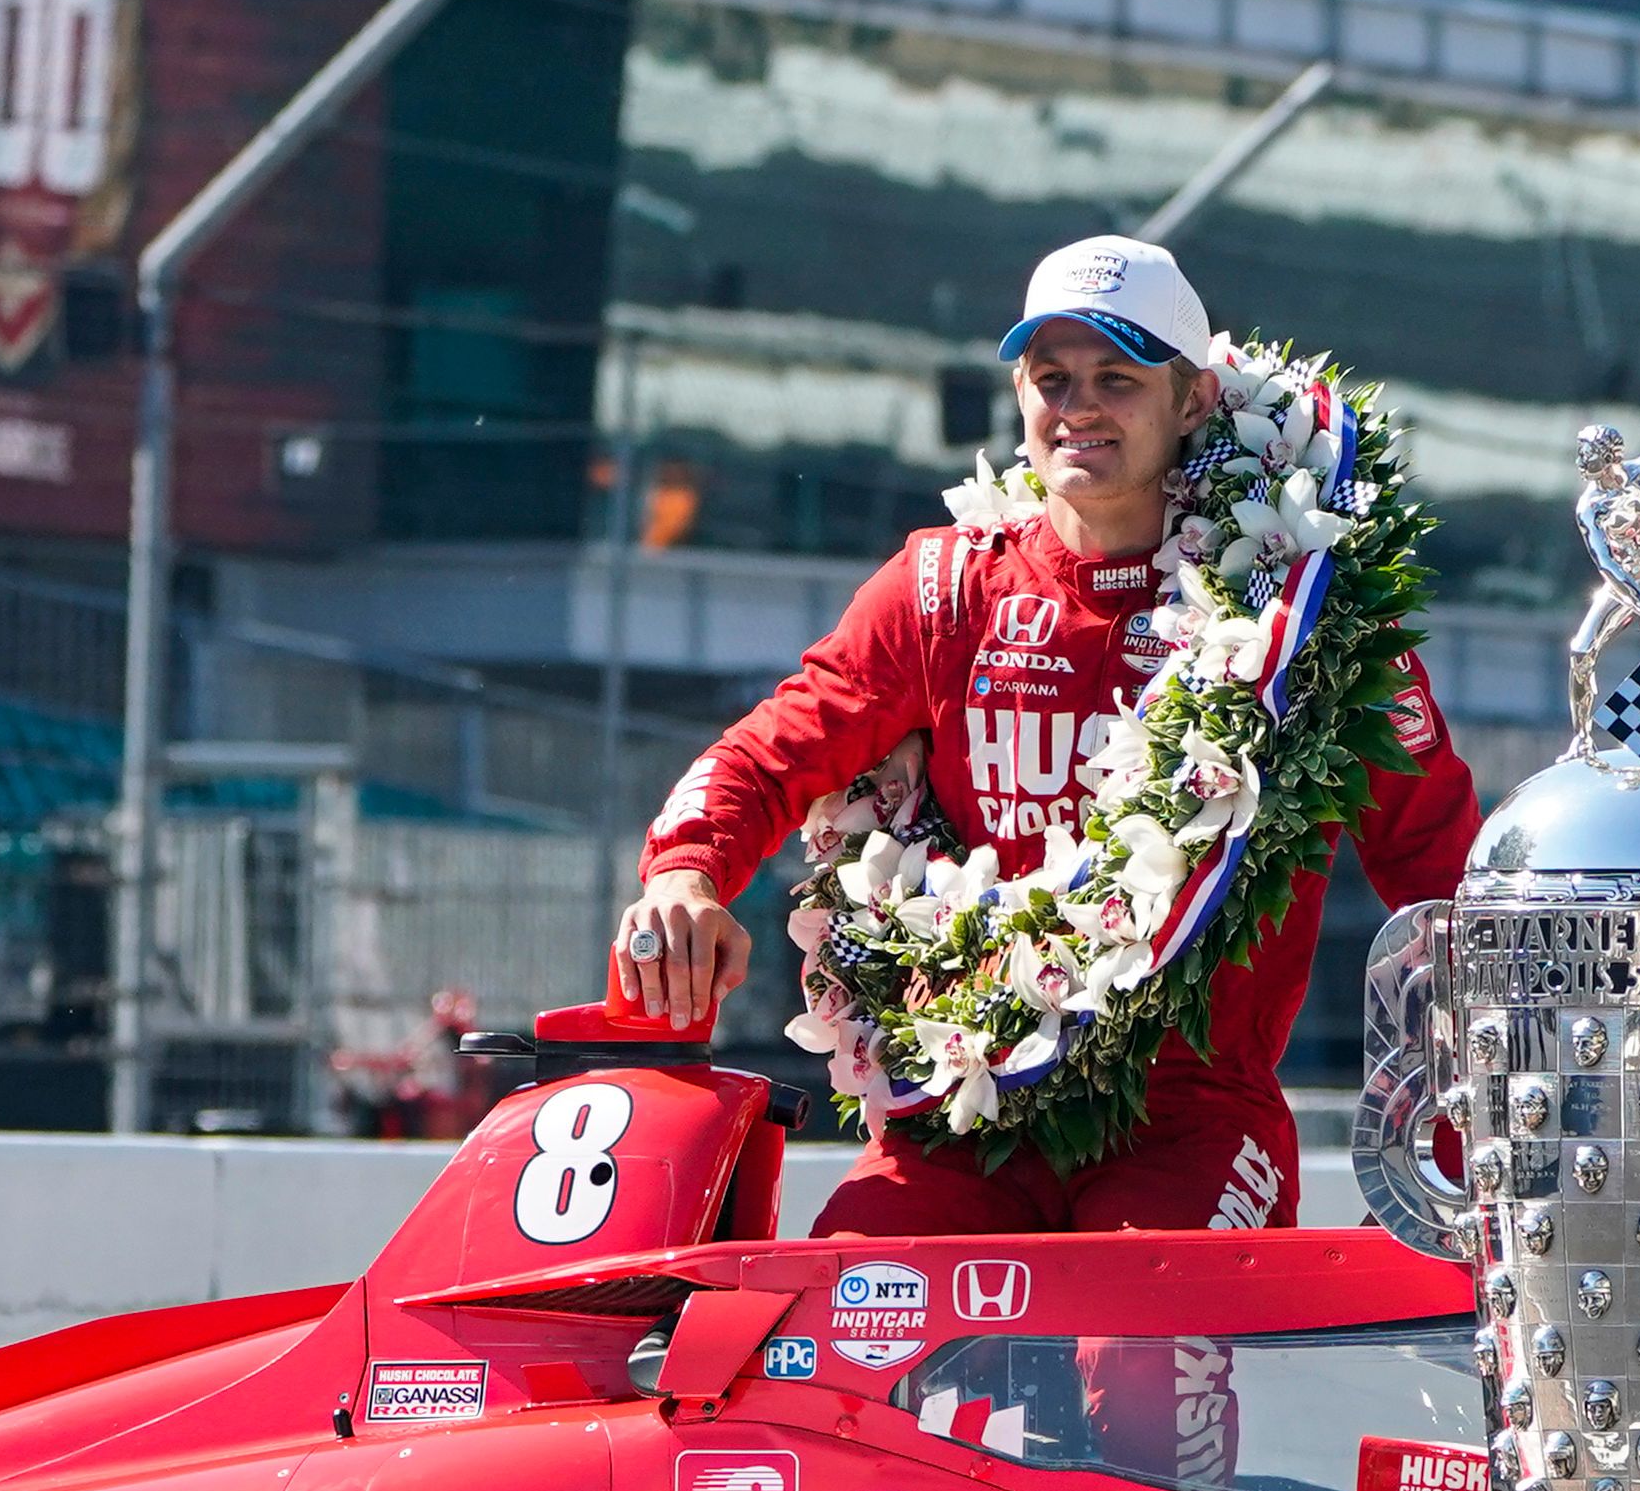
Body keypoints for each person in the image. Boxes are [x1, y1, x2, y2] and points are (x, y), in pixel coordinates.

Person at [605, 233, 1479, 1247]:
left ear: (1193, 401)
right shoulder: (941, 588)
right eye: (1051, 378)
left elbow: (1437, 857)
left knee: (1135, 1359)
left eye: (1117, 377)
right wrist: (684, 872)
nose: (1079, 407)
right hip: (961, 1117)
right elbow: (770, 751)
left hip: (1190, 1122)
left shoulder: (1299, 613)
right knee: (837, 1324)